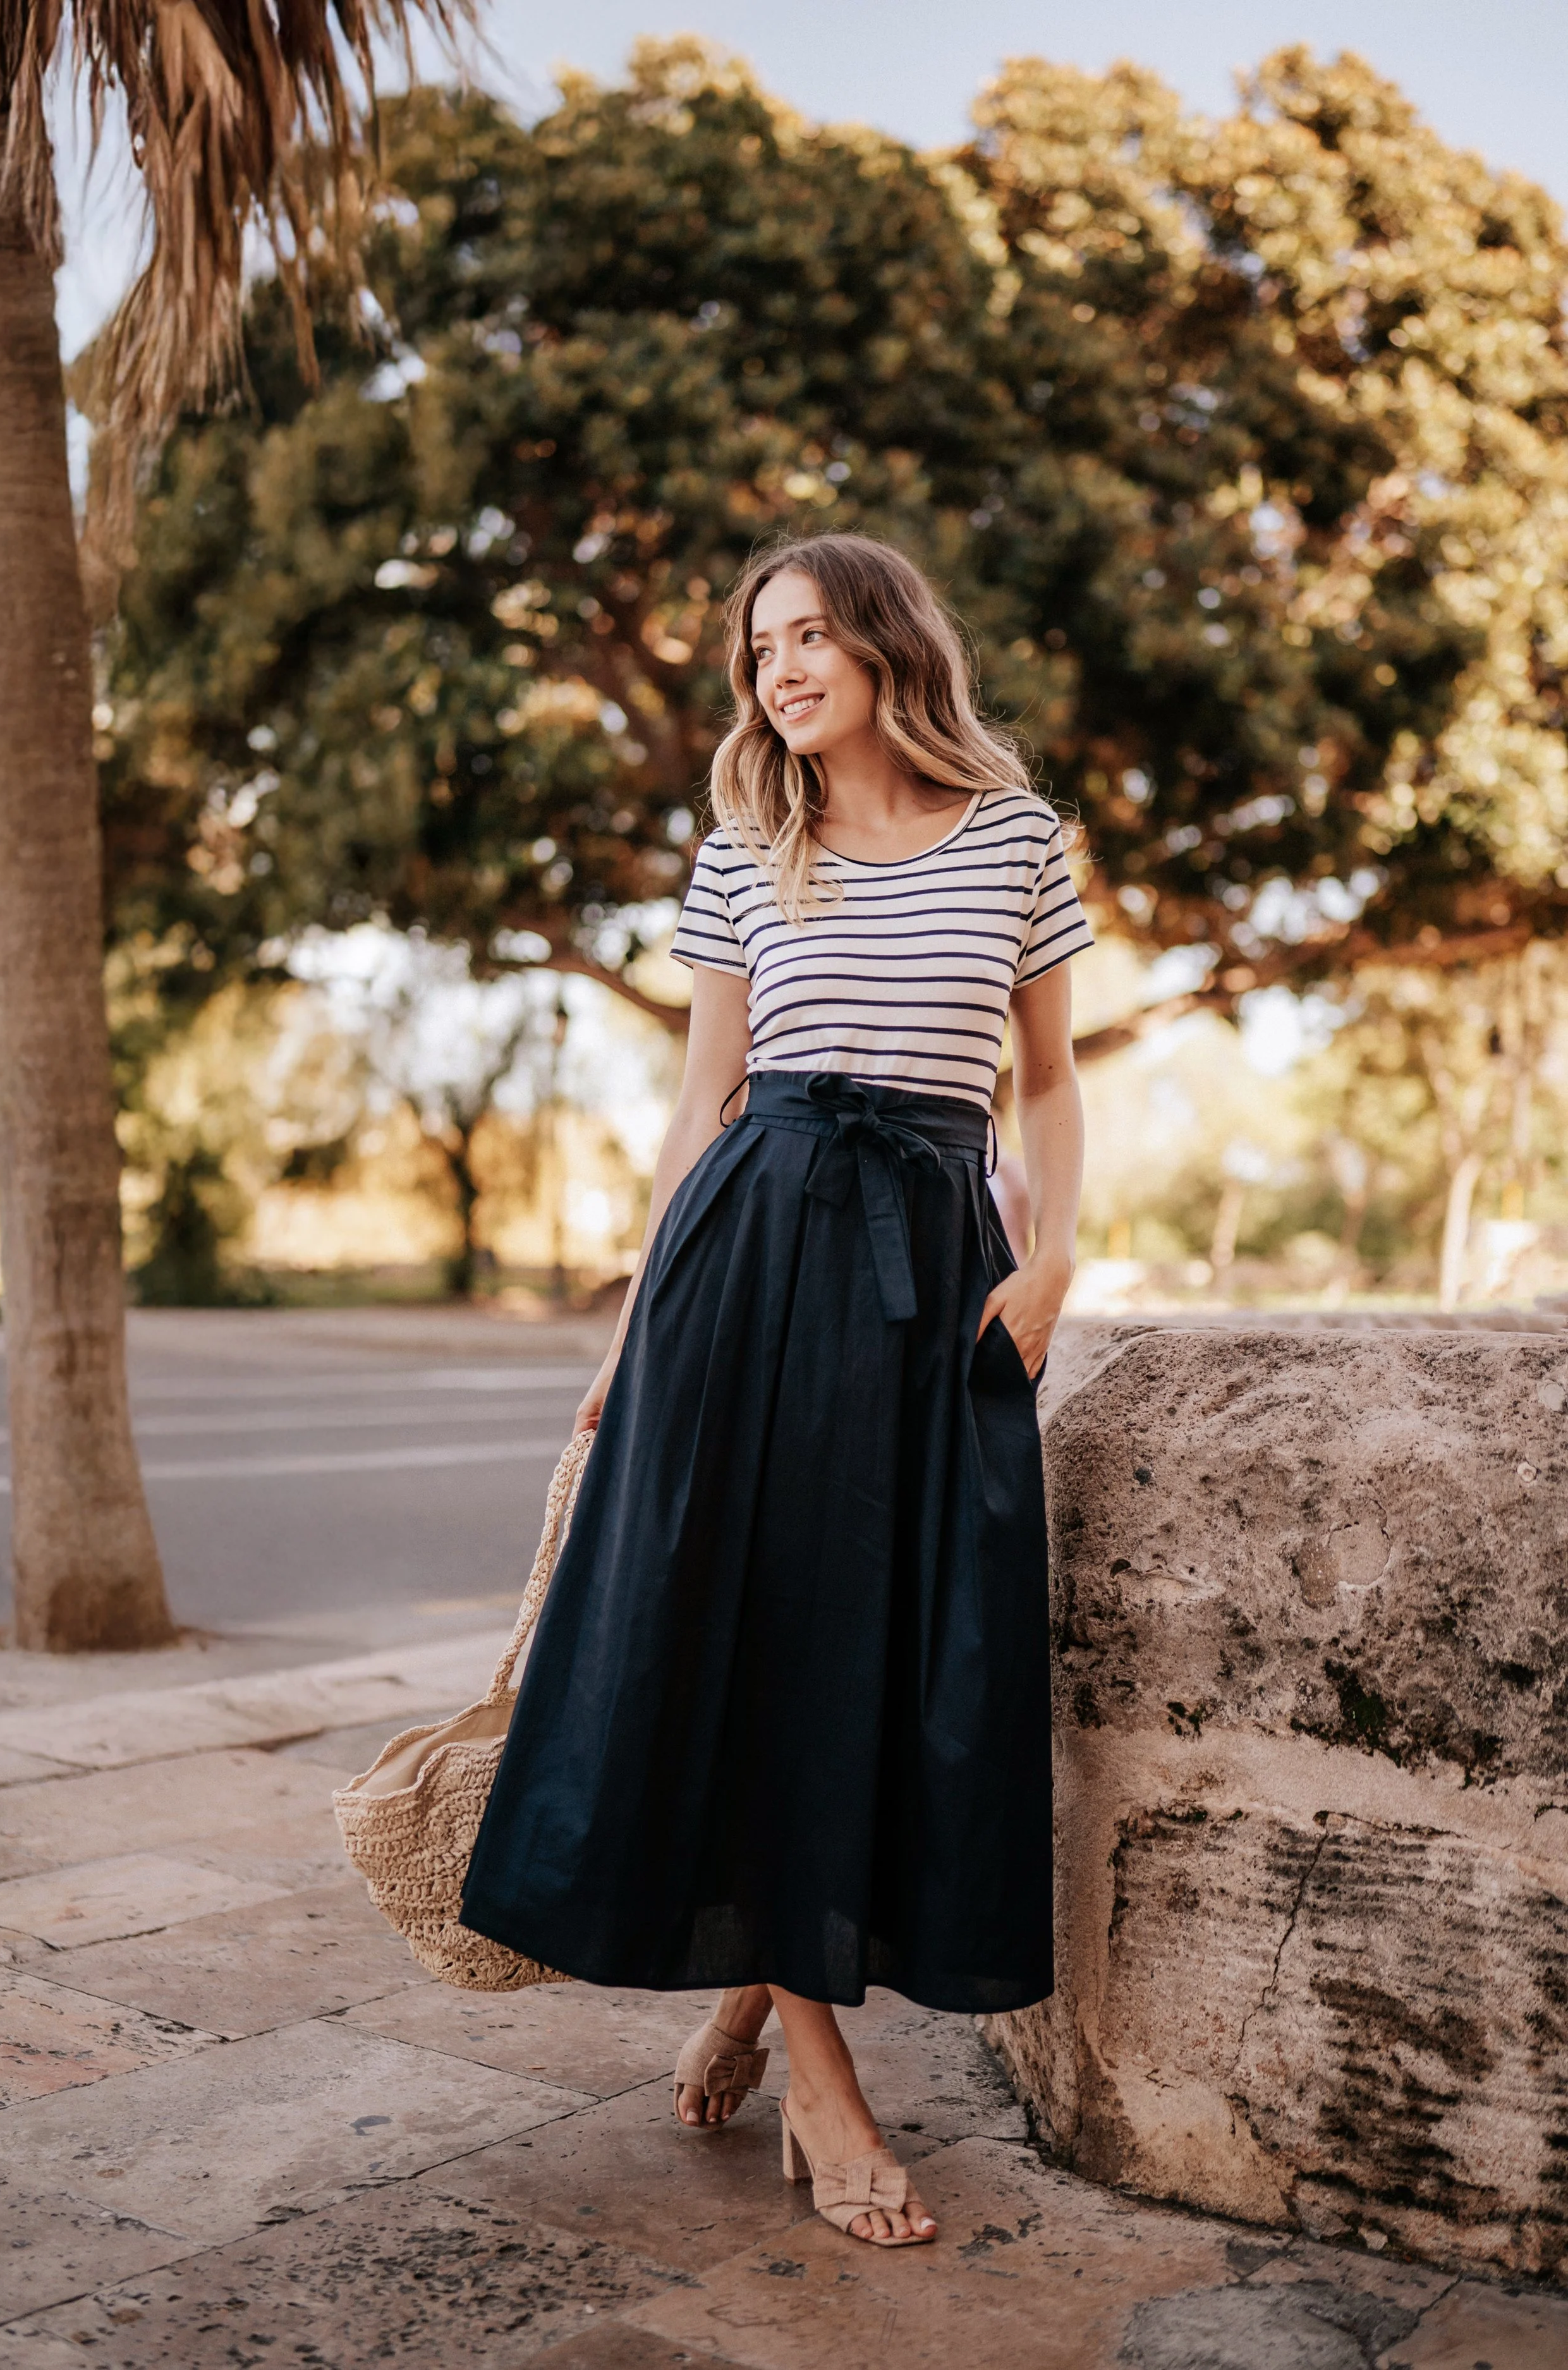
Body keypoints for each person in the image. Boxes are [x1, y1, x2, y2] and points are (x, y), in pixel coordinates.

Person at [461, 531, 1091, 2247]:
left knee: (903, 1653)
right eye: (760, 649)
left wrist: (1053, 1264)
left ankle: (756, 1981)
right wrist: (622, 1333)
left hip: (933, 1276)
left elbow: (1045, 1087)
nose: (782, 668)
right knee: (754, 1646)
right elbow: (699, 1108)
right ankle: (825, 2084)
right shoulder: (748, 850)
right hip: (748, 1269)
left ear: (889, 642)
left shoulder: (1018, 839)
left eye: (812, 634)